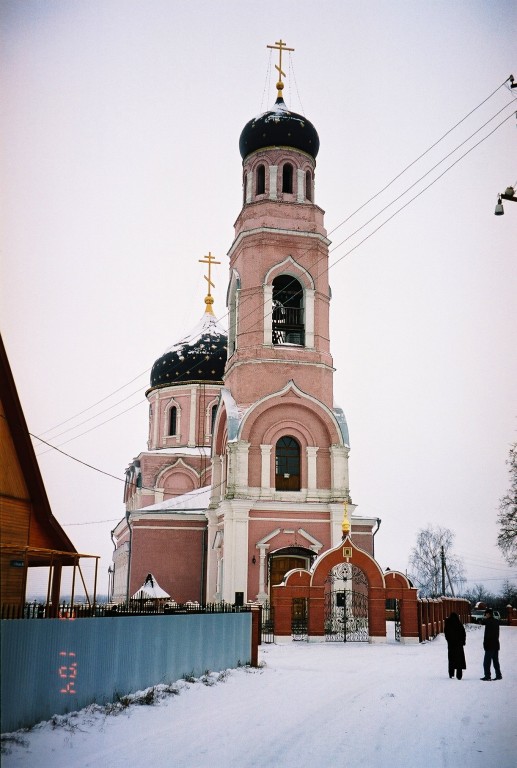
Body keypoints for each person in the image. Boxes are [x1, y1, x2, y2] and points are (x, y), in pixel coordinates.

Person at [480, 607, 502, 681]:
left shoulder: (488, 622)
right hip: (496, 644)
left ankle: (487, 676)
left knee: (486, 662)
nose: (485, 616)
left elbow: (483, 623)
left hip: (490, 645)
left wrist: (485, 644)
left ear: (489, 614)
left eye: (485, 614)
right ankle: (498, 675)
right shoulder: (496, 621)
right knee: (495, 661)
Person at [444, 612, 466, 679]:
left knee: (451, 659)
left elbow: (446, 633)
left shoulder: (448, 624)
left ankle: (451, 673)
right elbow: (463, 633)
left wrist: (449, 641)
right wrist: (463, 641)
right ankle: (459, 675)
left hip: (451, 645)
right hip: (459, 645)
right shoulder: (459, 624)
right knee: (459, 659)